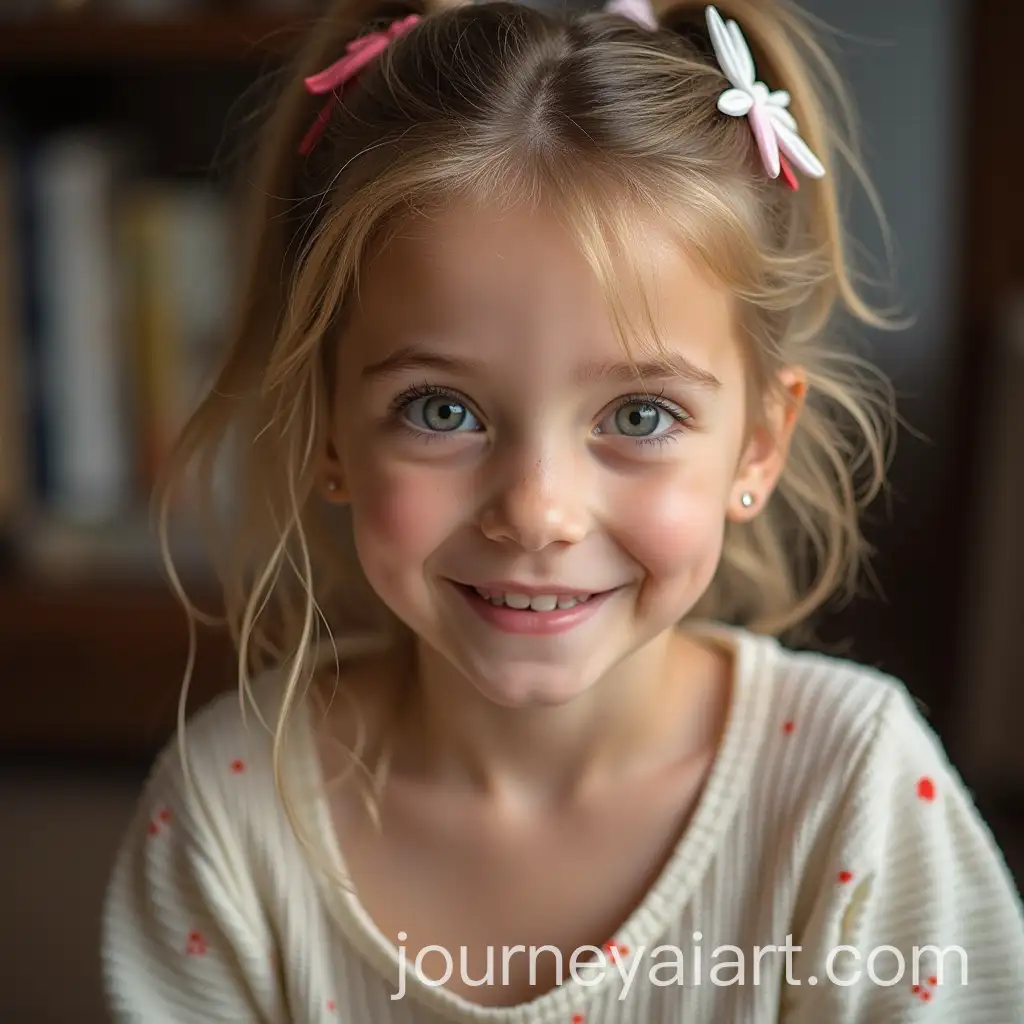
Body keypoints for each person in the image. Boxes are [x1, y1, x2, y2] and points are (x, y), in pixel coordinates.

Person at [100, 0, 1024, 1020]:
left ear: (757, 444)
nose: (537, 513)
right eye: (439, 409)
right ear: (328, 431)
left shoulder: (852, 796)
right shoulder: (230, 814)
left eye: (638, 412)